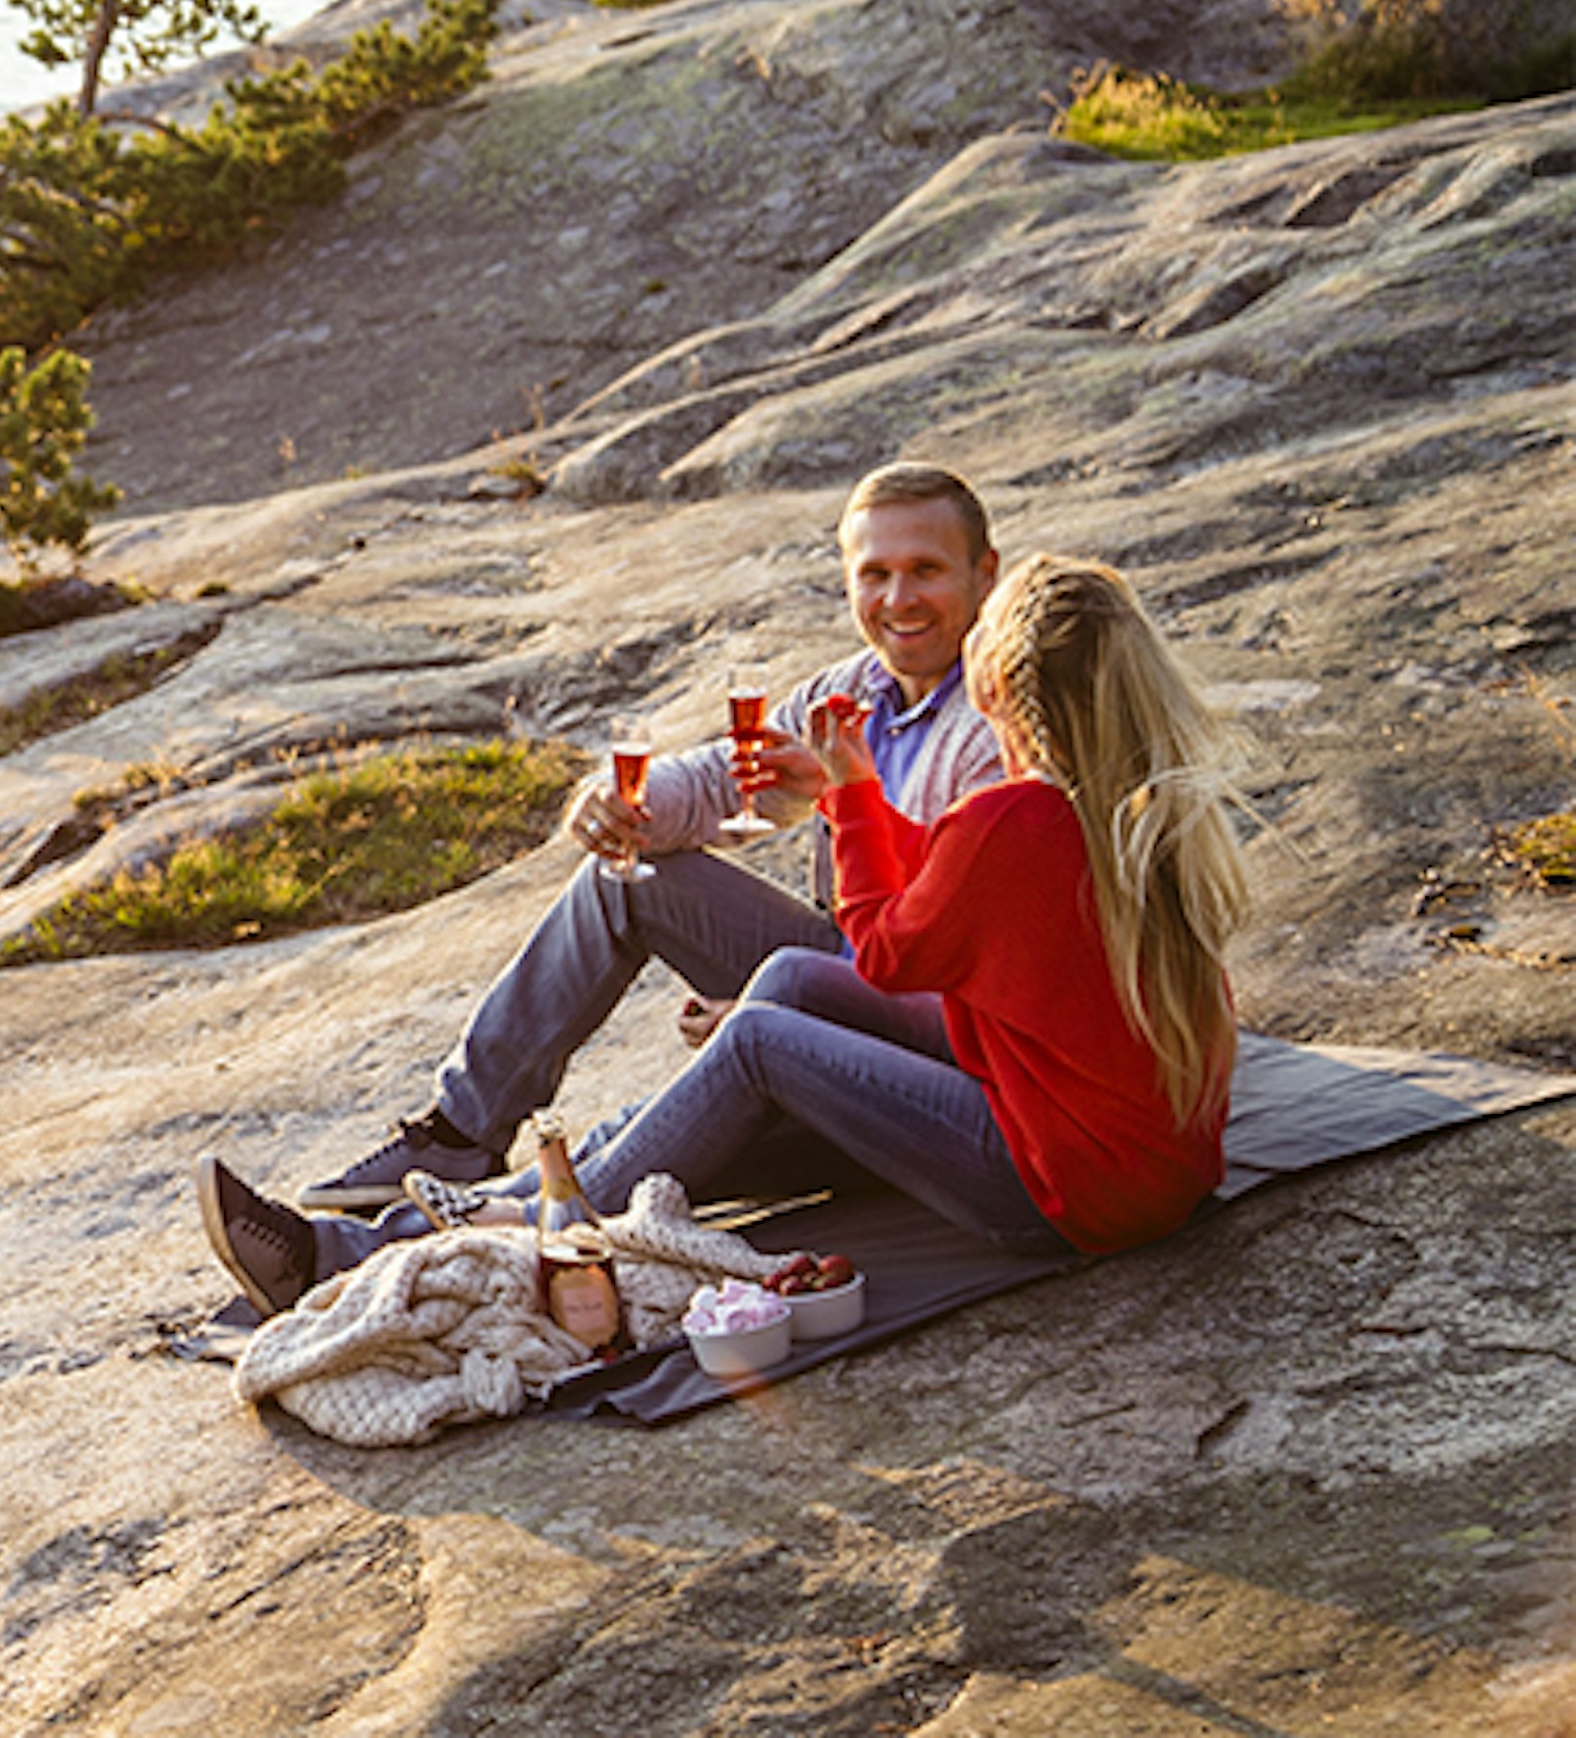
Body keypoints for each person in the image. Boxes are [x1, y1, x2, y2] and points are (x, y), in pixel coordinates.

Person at [201, 552, 1252, 1314]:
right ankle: (462, 1207)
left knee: (755, 1039)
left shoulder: (1017, 816)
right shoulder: (1122, 798)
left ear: (1000, 685)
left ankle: (477, 1236)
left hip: (1068, 1187)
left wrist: (847, 802)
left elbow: (888, 948)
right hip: (1136, 1158)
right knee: (789, 978)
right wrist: (857, 794)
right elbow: (954, 894)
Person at [267, 464, 1014, 1243]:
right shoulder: (851, 688)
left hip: (936, 1030)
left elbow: (961, 961)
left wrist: (791, 1010)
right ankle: (461, 1135)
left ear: (983, 573)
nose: (898, 600)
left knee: (702, 1088)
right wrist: (625, 802)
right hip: (840, 966)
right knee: (628, 879)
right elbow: (730, 774)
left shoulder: (997, 724)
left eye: (925, 570)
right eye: (875, 574)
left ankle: (458, 1229)